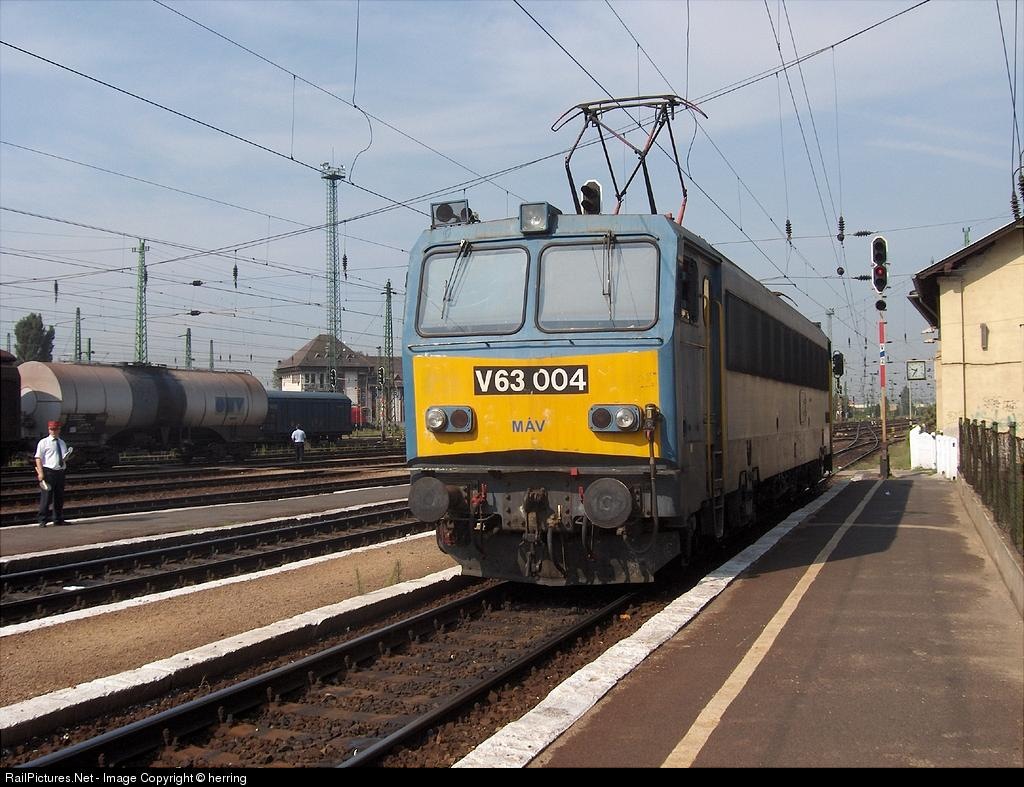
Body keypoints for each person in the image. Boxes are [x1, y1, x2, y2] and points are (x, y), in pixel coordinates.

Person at [35, 420, 70, 527]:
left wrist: (66, 458)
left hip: (60, 472)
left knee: (59, 497)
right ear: (48, 430)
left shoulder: (62, 442)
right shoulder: (43, 442)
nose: (53, 431)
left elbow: (63, 457)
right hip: (49, 472)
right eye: (51, 429)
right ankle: (42, 520)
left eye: (55, 429)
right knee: (46, 497)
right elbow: (38, 458)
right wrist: (40, 473)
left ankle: (58, 519)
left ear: (59, 430)